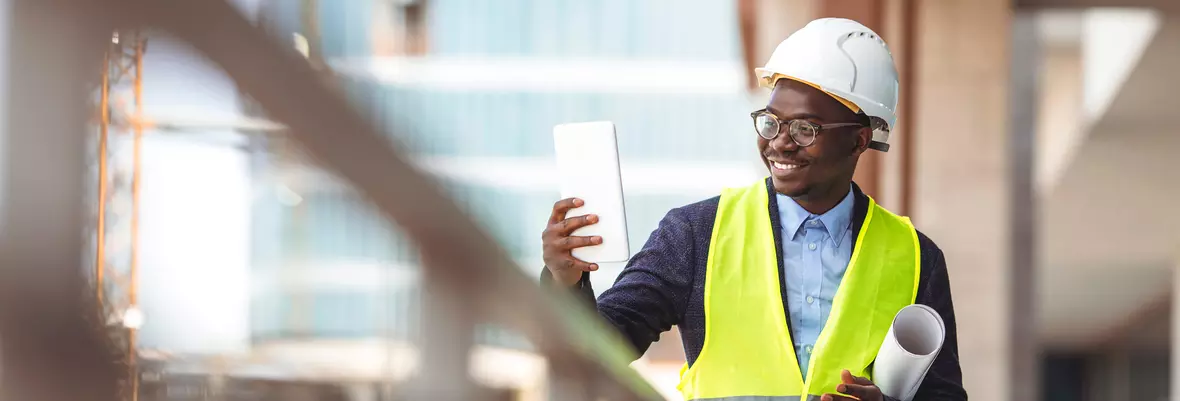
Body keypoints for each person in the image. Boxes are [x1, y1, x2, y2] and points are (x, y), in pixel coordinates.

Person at [540, 18, 966, 401]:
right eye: (771, 121)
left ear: (857, 140)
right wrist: (565, 281)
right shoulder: (696, 233)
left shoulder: (915, 258)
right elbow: (604, 344)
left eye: (804, 129)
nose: (778, 142)